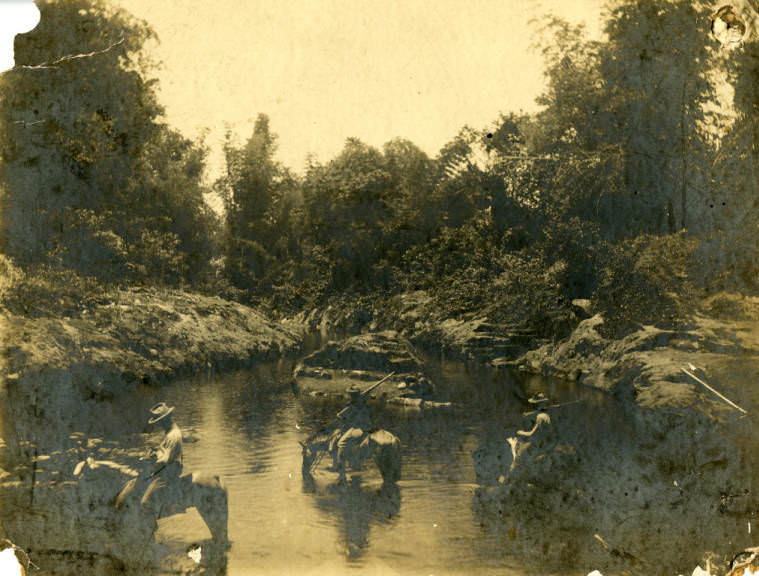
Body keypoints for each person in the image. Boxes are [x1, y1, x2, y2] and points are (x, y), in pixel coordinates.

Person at [139, 402, 183, 515]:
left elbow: (165, 460)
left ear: (165, 420)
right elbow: (165, 452)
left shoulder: (172, 435)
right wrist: (155, 453)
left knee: (144, 502)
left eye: (159, 422)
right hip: (169, 467)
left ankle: (151, 528)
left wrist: (149, 461)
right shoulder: (170, 432)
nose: (159, 425)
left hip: (168, 472)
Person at [329, 386, 372, 481]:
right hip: (360, 427)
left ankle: (342, 474)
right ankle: (345, 463)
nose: (350, 396)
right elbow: (349, 416)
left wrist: (341, 416)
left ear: (354, 395)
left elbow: (352, 418)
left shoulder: (356, 404)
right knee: (337, 435)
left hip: (360, 428)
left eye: (351, 394)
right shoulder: (357, 403)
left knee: (341, 443)